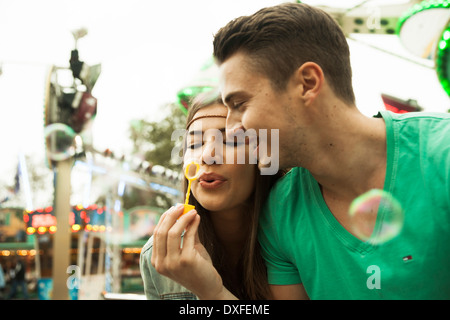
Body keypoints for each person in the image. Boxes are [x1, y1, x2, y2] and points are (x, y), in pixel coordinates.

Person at [151, 2, 450, 300]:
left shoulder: (441, 154)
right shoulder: (281, 211)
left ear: (307, 83)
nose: (232, 129)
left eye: (240, 104)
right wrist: (211, 291)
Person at [140, 89, 283, 299]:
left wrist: (211, 293)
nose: (208, 156)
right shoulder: (160, 255)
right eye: (194, 144)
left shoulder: (299, 236)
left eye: (231, 141)